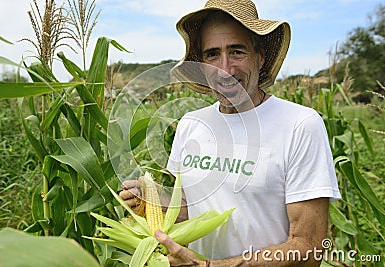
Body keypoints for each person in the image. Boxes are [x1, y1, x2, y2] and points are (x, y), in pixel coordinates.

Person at [120, 0, 341, 266]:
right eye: (212, 54)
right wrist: (150, 201)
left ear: (260, 57)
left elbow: (307, 246)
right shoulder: (191, 124)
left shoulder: (300, 124)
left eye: (237, 52)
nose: (224, 69)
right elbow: (193, 210)